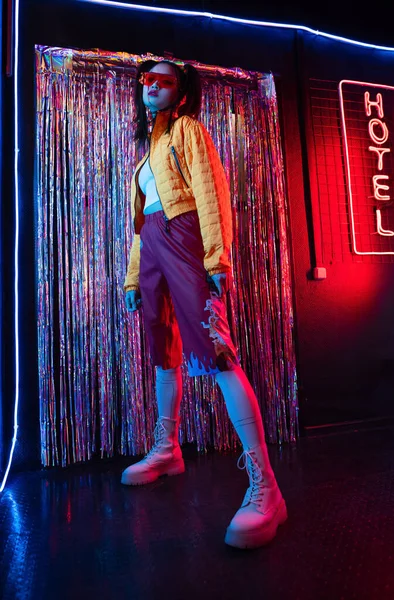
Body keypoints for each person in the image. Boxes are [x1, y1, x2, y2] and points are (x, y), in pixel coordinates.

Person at [122, 59, 287, 549]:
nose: (151, 85)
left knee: (214, 347)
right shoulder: (145, 154)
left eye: (163, 80)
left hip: (186, 235)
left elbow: (211, 193)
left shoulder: (189, 131)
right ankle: (166, 448)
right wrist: (135, 275)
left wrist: (217, 255)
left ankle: (267, 488)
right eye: (146, 79)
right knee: (162, 350)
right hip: (152, 242)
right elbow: (142, 219)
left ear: (182, 90)